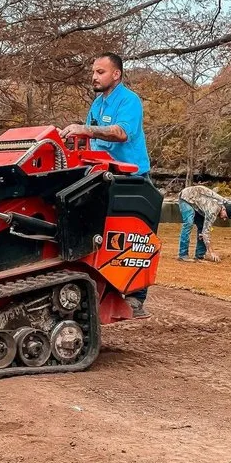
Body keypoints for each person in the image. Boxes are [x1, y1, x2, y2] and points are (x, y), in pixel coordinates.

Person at [60, 52, 152, 317]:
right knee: (104, 235)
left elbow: (122, 133)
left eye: (100, 72)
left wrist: (86, 129)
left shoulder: (129, 101)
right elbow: (90, 140)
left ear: (116, 74)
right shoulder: (97, 104)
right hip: (103, 175)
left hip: (132, 178)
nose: (94, 77)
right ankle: (105, 290)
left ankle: (136, 298)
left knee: (136, 236)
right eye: (93, 72)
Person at [177, 185, 231, 262]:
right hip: (186, 197)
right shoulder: (213, 211)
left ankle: (200, 255)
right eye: (225, 216)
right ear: (224, 209)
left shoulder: (225, 203)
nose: (224, 219)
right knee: (189, 223)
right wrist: (212, 252)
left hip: (199, 203)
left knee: (202, 226)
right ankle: (182, 255)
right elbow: (206, 233)